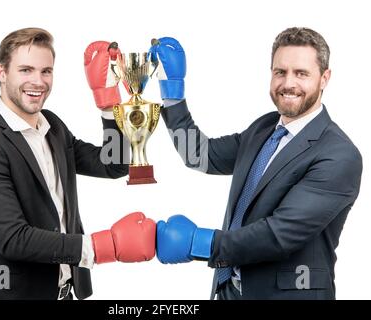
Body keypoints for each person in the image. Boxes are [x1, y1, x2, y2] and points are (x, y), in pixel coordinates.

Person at [150, 28, 363, 300]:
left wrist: (199, 242)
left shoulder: (339, 154)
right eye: (280, 72)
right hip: (230, 291)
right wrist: (173, 93)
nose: (288, 83)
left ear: (324, 78)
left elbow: (278, 234)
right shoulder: (264, 128)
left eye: (301, 73)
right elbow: (200, 155)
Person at [0, 28, 156, 300]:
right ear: (2, 73)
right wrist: (101, 246)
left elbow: (112, 165)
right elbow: (13, 239)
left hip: (63, 293)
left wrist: (108, 105)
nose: (38, 81)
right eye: (26, 70)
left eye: (46, 71)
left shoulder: (53, 127)